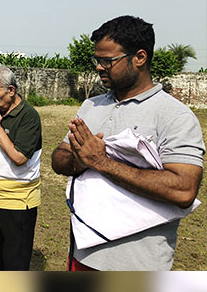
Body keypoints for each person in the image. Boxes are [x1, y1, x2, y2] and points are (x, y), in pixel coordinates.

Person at [51, 15, 204, 271]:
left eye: (107, 61)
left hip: (136, 265)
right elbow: (58, 157)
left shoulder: (173, 115)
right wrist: (79, 160)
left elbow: (184, 190)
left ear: (140, 58)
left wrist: (101, 162)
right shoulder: (92, 105)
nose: (99, 67)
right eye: (97, 60)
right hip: (82, 255)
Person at [0, 64, 42, 271]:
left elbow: (19, 157)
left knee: (13, 263)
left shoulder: (28, 116)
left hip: (16, 204)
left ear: (11, 91)